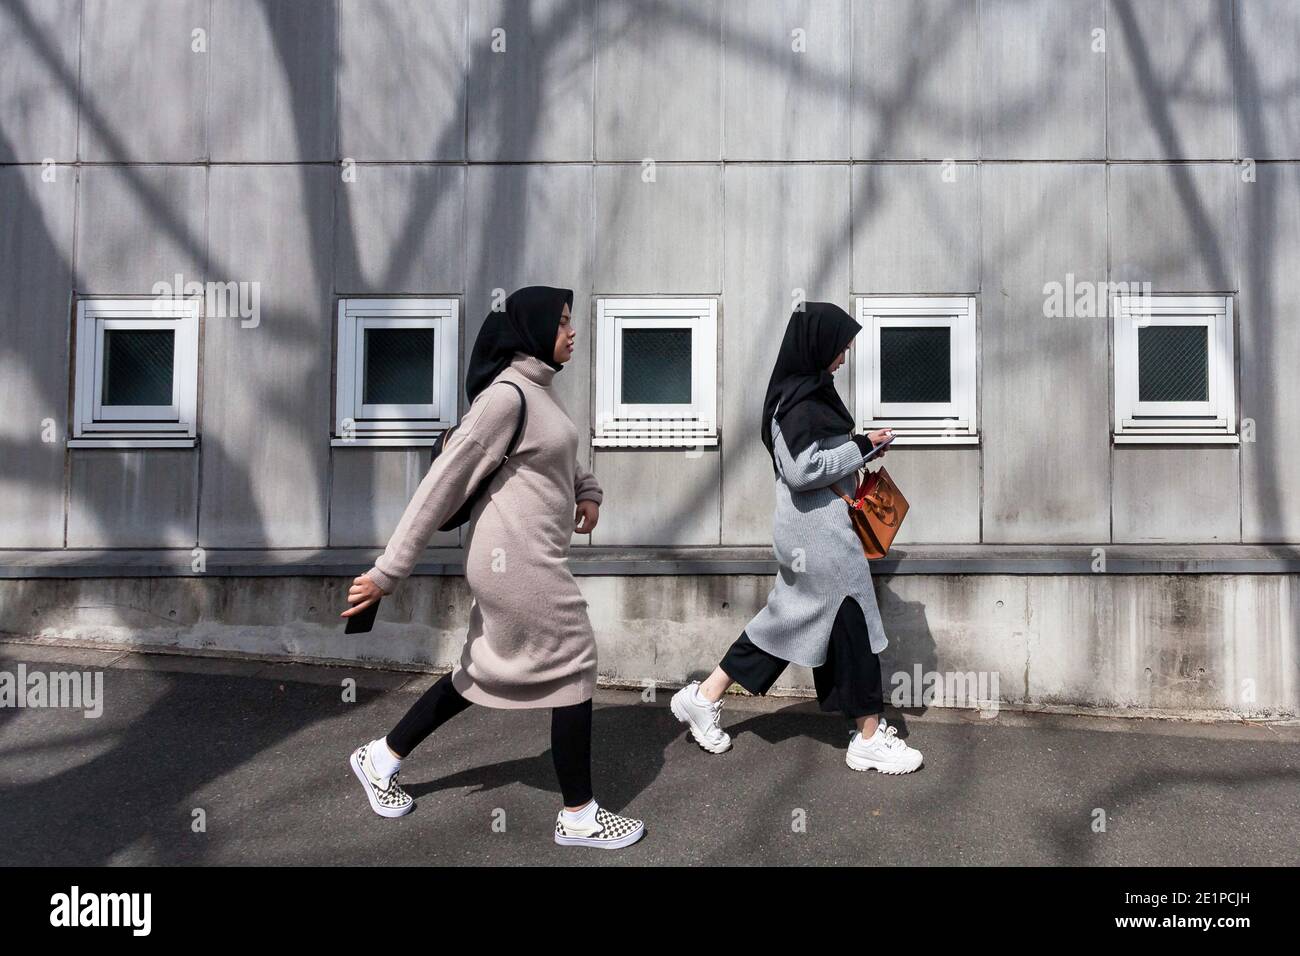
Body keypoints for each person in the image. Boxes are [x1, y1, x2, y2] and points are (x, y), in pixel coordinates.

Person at [342, 286, 645, 850]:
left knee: (481, 670)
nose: (571, 332)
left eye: (570, 322)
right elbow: (441, 486)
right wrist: (388, 572)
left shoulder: (539, 392)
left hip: (530, 556)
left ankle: (380, 758)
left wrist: (588, 491)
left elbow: (561, 456)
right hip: (515, 561)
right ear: (531, 331)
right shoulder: (505, 397)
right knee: (574, 660)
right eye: (561, 322)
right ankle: (579, 816)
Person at [670, 302, 923, 774]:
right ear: (817, 346)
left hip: (816, 529)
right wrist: (864, 446)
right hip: (817, 534)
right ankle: (868, 734)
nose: (843, 359)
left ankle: (705, 696)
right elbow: (802, 469)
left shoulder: (812, 394)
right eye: (840, 349)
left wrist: (862, 448)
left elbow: (821, 458)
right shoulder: (797, 403)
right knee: (853, 620)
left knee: (793, 621)